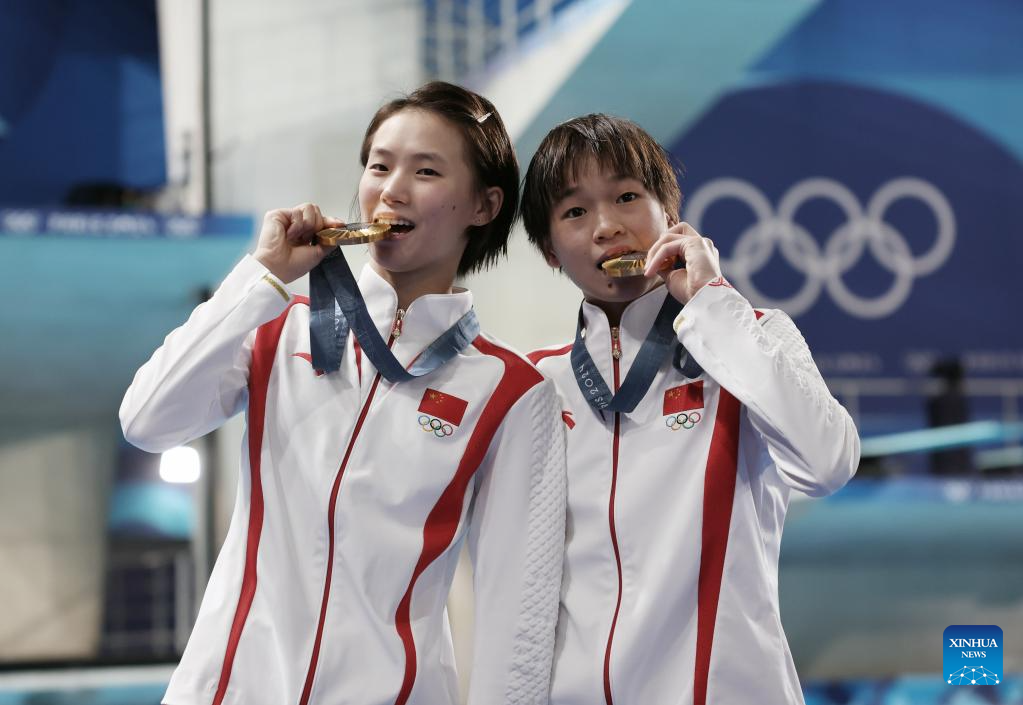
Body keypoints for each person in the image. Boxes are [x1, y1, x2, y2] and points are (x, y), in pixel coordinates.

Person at [120, 82, 566, 705]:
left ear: (484, 205)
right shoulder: (277, 326)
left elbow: (516, 612)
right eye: (379, 165)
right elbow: (146, 419)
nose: (391, 188)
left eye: (426, 170)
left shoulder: (511, 392)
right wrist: (261, 276)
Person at [520, 114, 860, 705]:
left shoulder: (751, 338)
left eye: (628, 196)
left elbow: (828, 462)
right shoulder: (534, 381)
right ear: (550, 250)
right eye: (575, 212)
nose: (606, 227)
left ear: (669, 217)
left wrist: (712, 304)